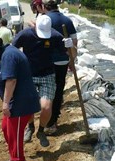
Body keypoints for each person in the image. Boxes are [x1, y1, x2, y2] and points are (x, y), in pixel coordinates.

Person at [12, 15, 71, 147]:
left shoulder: (56, 36)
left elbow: (68, 53)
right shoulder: (25, 35)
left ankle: (41, 130)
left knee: (46, 106)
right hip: (28, 74)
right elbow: (12, 49)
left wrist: (69, 46)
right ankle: (31, 126)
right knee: (29, 105)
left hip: (47, 74)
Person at [0, 36, 40, 161]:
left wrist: (5, 102)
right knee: (6, 128)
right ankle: (17, 158)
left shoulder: (9, 56)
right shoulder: (8, 53)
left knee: (15, 134)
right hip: (18, 101)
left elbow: (11, 79)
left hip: (20, 103)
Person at [44, 0, 78, 134]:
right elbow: (74, 42)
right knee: (58, 91)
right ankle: (53, 122)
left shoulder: (45, 19)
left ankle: (46, 118)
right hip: (63, 61)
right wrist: (72, 60)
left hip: (47, 62)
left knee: (47, 91)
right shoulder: (67, 20)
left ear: (45, 7)